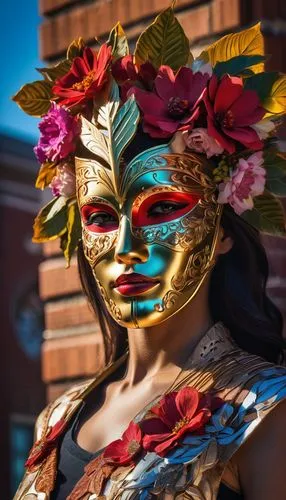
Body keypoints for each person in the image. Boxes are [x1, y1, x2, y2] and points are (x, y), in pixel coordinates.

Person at [13, 6, 286, 499]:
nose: (125, 249)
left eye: (162, 208)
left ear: (222, 229)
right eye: (99, 217)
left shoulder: (262, 408)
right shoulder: (56, 419)